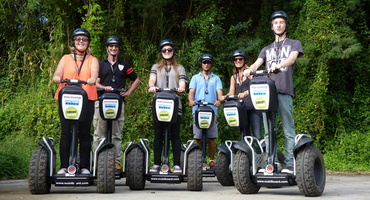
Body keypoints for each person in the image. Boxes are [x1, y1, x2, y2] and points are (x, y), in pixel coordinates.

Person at [246, 11, 304, 174]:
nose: (278, 25)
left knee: (287, 129)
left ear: (286, 25)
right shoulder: (266, 49)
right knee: (268, 130)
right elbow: (257, 64)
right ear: (272, 26)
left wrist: (278, 65)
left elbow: (292, 59)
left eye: (281, 22)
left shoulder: (294, 43)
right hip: (267, 94)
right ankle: (272, 162)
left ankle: (289, 163)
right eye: (275, 23)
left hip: (284, 91)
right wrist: (248, 70)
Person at [52, 28, 99, 175]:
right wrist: (57, 78)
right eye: (78, 39)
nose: (81, 41)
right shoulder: (66, 58)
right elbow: (57, 74)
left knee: (84, 133)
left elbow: (95, 74)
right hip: (67, 98)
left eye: (84, 39)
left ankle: (84, 166)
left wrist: (92, 79)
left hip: (87, 98)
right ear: (73, 41)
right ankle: (64, 166)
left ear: (87, 43)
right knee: (66, 133)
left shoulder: (92, 59)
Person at [93, 36, 141, 171]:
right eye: (111, 46)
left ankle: (116, 162)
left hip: (118, 102)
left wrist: (129, 92)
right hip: (101, 100)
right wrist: (103, 87)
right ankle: (98, 161)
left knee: (116, 134)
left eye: (116, 46)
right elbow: (95, 82)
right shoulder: (100, 64)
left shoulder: (124, 65)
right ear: (107, 48)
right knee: (99, 133)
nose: (113, 48)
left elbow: (136, 80)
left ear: (119, 49)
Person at [148, 39, 186, 173]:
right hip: (159, 105)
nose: (167, 52)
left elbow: (182, 82)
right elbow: (151, 80)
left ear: (173, 51)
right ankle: (157, 163)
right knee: (158, 134)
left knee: (175, 135)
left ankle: (176, 164)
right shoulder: (155, 67)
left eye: (169, 50)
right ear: (161, 52)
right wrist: (152, 87)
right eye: (164, 50)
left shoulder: (179, 68)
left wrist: (181, 88)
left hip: (175, 105)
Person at [188, 53, 223, 169]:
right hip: (198, 110)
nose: (206, 64)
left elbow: (220, 93)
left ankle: (211, 160)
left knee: (211, 137)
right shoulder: (195, 77)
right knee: (197, 137)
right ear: (201, 64)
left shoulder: (216, 78)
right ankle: (197, 159)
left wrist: (219, 101)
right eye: (204, 62)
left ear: (211, 64)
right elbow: (191, 92)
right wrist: (191, 101)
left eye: (208, 62)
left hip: (211, 110)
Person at [223, 50, 262, 140]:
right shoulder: (233, 77)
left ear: (244, 60)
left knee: (257, 135)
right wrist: (224, 97)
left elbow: (256, 87)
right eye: (235, 59)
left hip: (253, 108)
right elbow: (231, 92)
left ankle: (261, 152)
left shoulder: (249, 73)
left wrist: (245, 93)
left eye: (240, 59)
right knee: (244, 136)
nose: (238, 61)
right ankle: (246, 153)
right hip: (241, 109)